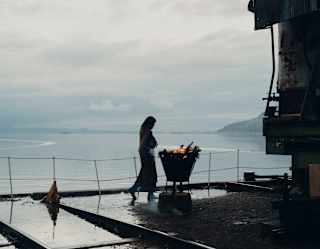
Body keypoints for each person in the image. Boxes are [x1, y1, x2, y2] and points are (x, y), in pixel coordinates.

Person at [128, 116, 158, 201]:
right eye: (153, 124)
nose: (153, 125)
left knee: (144, 172)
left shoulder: (142, 129)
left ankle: (134, 188)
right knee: (151, 173)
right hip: (147, 154)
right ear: (149, 123)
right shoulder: (148, 131)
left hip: (144, 153)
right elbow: (145, 142)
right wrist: (151, 144)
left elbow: (143, 143)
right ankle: (150, 193)